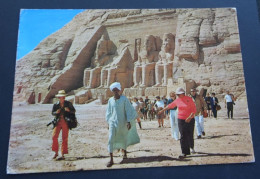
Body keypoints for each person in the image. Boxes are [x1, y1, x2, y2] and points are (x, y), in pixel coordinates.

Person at [106, 82, 140, 167]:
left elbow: (128, 110)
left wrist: (128, 121)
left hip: (123, 122)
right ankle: (111, 159)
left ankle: (124, 153)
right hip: (112, 122)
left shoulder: (124, 99)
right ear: (112, 91)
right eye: (114, 90)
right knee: (110, 139)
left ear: (119, 90)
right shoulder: (110, 100)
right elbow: (109, 112)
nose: (116, 92)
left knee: (123, 137)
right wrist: (108, 122)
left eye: (117, 90)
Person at [158, 87, 196, 159]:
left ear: (183, 93)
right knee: (183, 135)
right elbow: (170, 106)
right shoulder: (177, 100)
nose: (178, 95)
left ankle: (191, 147)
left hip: (190, 119)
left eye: (179, 94)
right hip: (181, 119)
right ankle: (184, 152)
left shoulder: (189, 99)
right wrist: (162, 111)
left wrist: (190, 117)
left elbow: (194, 109)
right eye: (177, 94)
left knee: (190, 134)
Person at [51, 90, 76, 160]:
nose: (62, 98)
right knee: (54, 136)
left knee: (64, 138)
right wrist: (56, 112)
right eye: (61, 97)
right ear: (59, 97)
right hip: (58, 122)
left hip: (66, 122)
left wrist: (69, 110)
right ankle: (55, 152)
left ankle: (62, 154)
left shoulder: (68, 104)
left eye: (63, 97)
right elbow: (52, 113)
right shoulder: (56, 104)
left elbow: (73, 111)